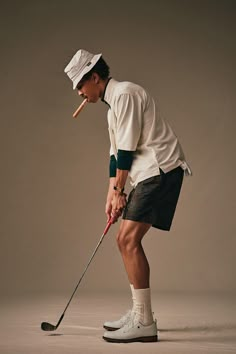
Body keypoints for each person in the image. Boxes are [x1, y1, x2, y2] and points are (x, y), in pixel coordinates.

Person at [64, 49, 192, 343]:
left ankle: (144, 321)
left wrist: (121, 191)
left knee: (126, 239)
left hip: (161, 169)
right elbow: (114, 155)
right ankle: (140, 313)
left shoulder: (125, 93)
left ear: (94, 77)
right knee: (126, 239)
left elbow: (127, 150)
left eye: (80, 86)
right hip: (148, 173)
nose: (79, 93)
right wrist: (112, 195)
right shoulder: (113, 109)